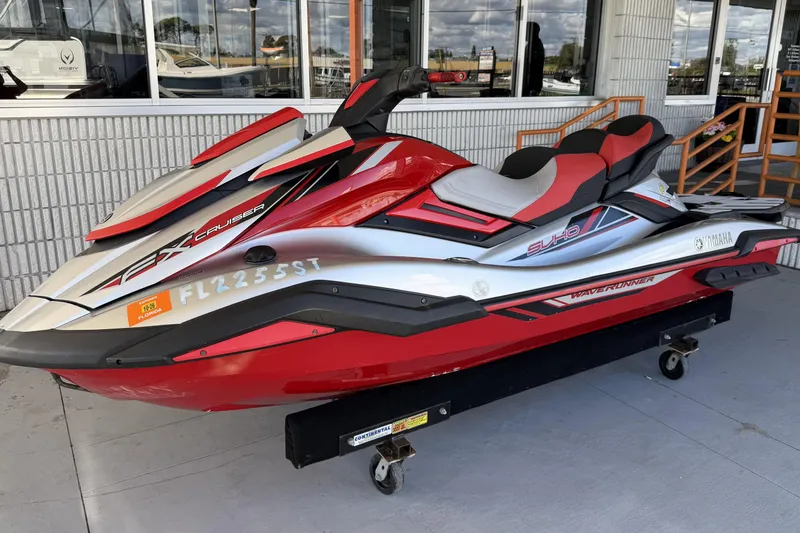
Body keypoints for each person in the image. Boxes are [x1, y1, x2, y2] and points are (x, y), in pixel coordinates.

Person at [523, 22, 545, 97]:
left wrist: (533, 87)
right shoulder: (531, 45)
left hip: (531, 86)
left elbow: (533, 67)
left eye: (526, 31)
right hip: (529, 84)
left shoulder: (535, 46)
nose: (524, 34)